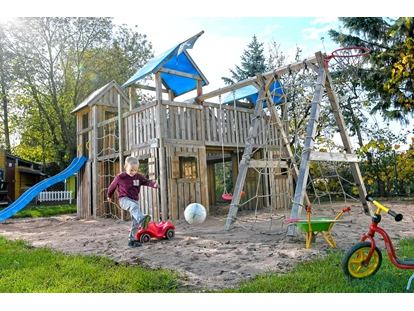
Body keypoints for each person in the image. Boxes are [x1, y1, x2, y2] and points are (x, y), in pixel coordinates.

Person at [107, 156, 160, 248]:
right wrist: (109, 195)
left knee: (134, 223)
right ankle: (142, 219)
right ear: (125, 167)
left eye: (135, 170)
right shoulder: (120, 177)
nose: (133, 172)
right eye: (131, 170)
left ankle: (132, 241)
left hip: (134, 201)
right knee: (133, 207)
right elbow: (112, 186)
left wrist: (153, 184)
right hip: (124, 200)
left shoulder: (138, 177)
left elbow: (146, 181)